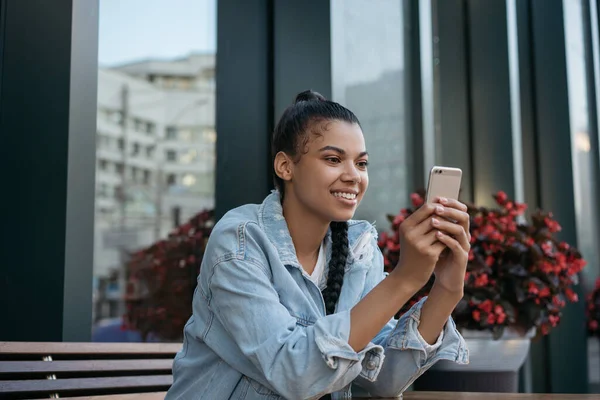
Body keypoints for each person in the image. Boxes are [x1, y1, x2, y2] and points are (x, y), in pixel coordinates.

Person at [166, 90, 470, 400]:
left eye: (362, 163)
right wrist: (405, 279)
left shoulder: (358, 249)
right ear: (286, 166)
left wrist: (446, 290)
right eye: (333, 159)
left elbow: (384, 378)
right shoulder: (239, 242)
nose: (354, 176)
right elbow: (294, 371)